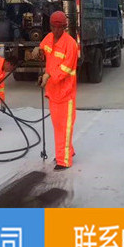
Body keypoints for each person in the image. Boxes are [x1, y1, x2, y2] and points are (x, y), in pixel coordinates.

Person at [37, 10, 78, 171]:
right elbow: (44, 49)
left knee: (65, 127)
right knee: (57, 126)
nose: (56, 30)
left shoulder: (71, 44)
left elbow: (65, 69)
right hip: (53, 91)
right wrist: (38, 51)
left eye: (59, 27)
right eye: (53, 27)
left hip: (66, 92)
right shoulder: (48, 38)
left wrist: (48, 75)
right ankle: (68, 151)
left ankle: (64, 160)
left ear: (65, 27)